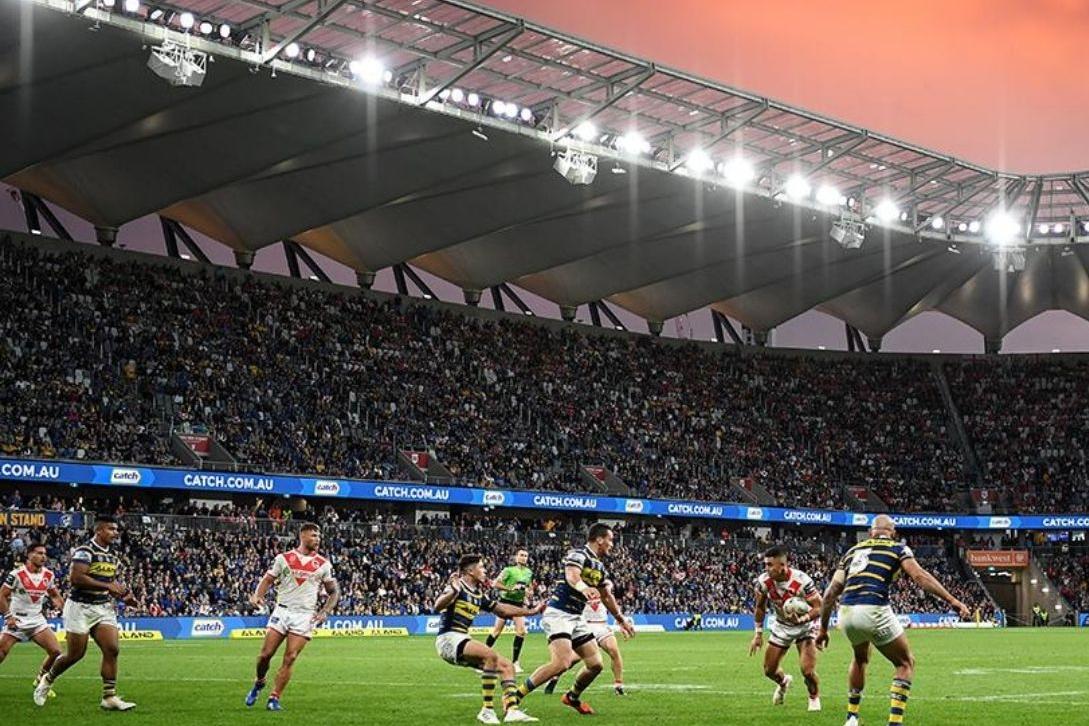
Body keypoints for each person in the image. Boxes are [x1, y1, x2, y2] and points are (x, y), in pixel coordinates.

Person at [817, 515, 970, 726]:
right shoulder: (897, 548)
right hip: (873, 608)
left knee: (860, 658)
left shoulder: (852, 552)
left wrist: (822, 629)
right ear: (893, 532)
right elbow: (920, 577)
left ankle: (852, 717)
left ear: (871, 533)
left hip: (846, 612)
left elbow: (831, 592)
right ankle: (895, 723)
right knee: (905, 662)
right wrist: (953, 600)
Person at [514, 523, 635, 716]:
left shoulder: (600, 566)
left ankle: (572, 697)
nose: (612, 544)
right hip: (559, 613)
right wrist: (583, 588)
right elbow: (572, 576)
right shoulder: (578, 554)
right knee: (561, 663)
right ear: (600, 539)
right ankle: (515, 695)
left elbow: (606, 596)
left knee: (595, 664)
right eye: (610, 540)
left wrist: (621, 619)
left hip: (577, 618)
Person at [33, 515, 141, 710]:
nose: (115, 533)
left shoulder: (113, 555)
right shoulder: (85, 551)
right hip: (79, 607)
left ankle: (109, 698)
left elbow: (107, 582)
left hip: (102, 607)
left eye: (116, 529)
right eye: (111, 529)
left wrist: (124, 597)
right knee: (75, 655)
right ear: (98, 530)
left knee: (112, 649)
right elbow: (77, 578)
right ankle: (47, 680)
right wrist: (109, 587)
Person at [433, 553, 545, 724]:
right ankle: (487, 710)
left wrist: (532, 611)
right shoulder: (457, 586)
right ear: (470, 571)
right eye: (482, 567)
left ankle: (512, 710)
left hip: (461, 638)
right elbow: (437, 606)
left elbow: (503, 610)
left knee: (507, 666)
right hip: (449, 639)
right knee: (490, 656)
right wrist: (453, 591)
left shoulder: (478, 594)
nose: (485, 571)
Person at [245, 522, 339, 711]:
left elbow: (333, 592)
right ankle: (260, 681)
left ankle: (274, 698)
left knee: (290, 657)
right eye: (313, 535)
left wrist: (325, 611)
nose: (317, 539)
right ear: (302, 536)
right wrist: (258, 596)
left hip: (304, 616)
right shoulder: (284, 558)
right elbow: (268, 579)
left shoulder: (323, 564)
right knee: (265, 655)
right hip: (282, 611)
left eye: (318, 536)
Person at [748, 545, 823, 711]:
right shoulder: (763, 582)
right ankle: (783, 682)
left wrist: (802, 618)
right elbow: (760, 607)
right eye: (765, 564)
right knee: (769, 670)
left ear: (782, 566)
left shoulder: (802, 581)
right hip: (782, 626)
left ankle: (813, 697)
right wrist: (758, 634)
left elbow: (819, 607)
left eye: (769, 565)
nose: (766, 568)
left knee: (807, 671)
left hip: (805, 627)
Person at [0, 542, 65, 698]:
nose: (44, 556)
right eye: (39, 553)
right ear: (29, 555)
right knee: (1, 653)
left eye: (44, 554)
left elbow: (54, 594)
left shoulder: (48, 575)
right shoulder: (16, 574)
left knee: (56, 651)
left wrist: (63, 609)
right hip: (17, 621)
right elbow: (1, 595)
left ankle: (40, 680)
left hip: (37, 621)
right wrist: (8, 617)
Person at [543, 583, 629, 696]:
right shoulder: (579, 584)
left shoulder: (605, 583)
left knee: (614, 650)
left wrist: (620, 621)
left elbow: (609, 600)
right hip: (586, 626)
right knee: (571, 660)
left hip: (602, 625)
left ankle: (618, 685)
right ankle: (554, 677)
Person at [485, 549, 534, 673]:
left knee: (521, 631)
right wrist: (510, 589)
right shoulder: (508, 570)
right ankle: (483, 659)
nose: (524, 558)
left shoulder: (529, 573)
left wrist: (529, 593)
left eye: (526, 556)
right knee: (496, 632)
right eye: (521, 555)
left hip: (518, 605)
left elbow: (529, 587)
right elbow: (495, 584)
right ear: (516, 557)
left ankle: (515, 662)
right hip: (505, 603)